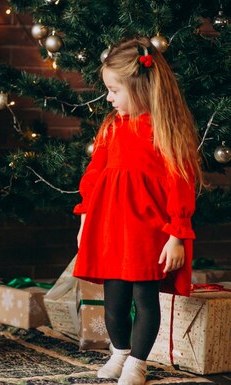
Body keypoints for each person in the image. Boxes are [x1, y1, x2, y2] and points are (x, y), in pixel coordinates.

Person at [73, 37, 202, 385]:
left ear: (141, 88)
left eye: (114, 90)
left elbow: (180, 184)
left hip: (148, 233)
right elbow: (95, 175)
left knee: (146, 301)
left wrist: (176, 234)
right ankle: (120, 352)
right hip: (113, 232)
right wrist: (86, 219)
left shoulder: (165, 132)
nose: (109, 98)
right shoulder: (112, 129)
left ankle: (138, 363)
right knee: (113, 304)